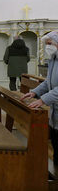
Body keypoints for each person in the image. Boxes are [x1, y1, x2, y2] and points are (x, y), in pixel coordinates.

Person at [21, 31, 58, 166]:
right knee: (56, 149)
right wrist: (35, 93)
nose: (48, 47)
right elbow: (48, 81)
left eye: (50, 44)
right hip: (55, 113)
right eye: (47, 44)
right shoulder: (53, 58)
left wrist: (43, 100)